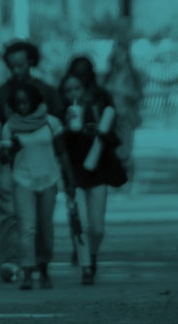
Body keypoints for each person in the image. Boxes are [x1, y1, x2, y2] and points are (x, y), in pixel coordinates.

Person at [0, 40, 65, 283]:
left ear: (31, 62)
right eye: (12, 66)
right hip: (9, 161)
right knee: (8, 211)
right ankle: (9, 261)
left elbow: (60, 127)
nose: (16, 70)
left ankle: (38, 260)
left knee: (39, 219)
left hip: (41, 165)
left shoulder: (45, 91)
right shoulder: (2, 92)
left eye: (21, 65)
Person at [58, 56, 127, 285]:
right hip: (73, 170)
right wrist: (67, 127)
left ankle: (92, 254)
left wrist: (98, 130)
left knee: (97, 227)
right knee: (80, 222)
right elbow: (55, 139)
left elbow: (114, 130)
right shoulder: (63, 102)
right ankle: (86, 265)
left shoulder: (101, 98)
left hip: (98, 167)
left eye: (84, 74)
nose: (81, 80)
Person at [0, 81, 64, 290]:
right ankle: (27, 271)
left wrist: (69, 180)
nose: (22, 106)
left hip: (48, 180)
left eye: (26, 102)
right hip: (23, 180)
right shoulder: (10, 126)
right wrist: (11, 149)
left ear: (34, 102)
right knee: (27, 228)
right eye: (18, 103)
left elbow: (62, 153)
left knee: (45, 228)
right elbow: (3, 158)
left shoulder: (51, 123)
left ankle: (43, 268)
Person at [102, 39, 144, 182]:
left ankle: (129, 180)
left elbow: (139, 95)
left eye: (120, 52)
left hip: (126, 116)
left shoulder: (132, 74)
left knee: (126, 149)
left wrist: (122, 92)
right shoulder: (109, 74)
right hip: (109, 117)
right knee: (110, 149)